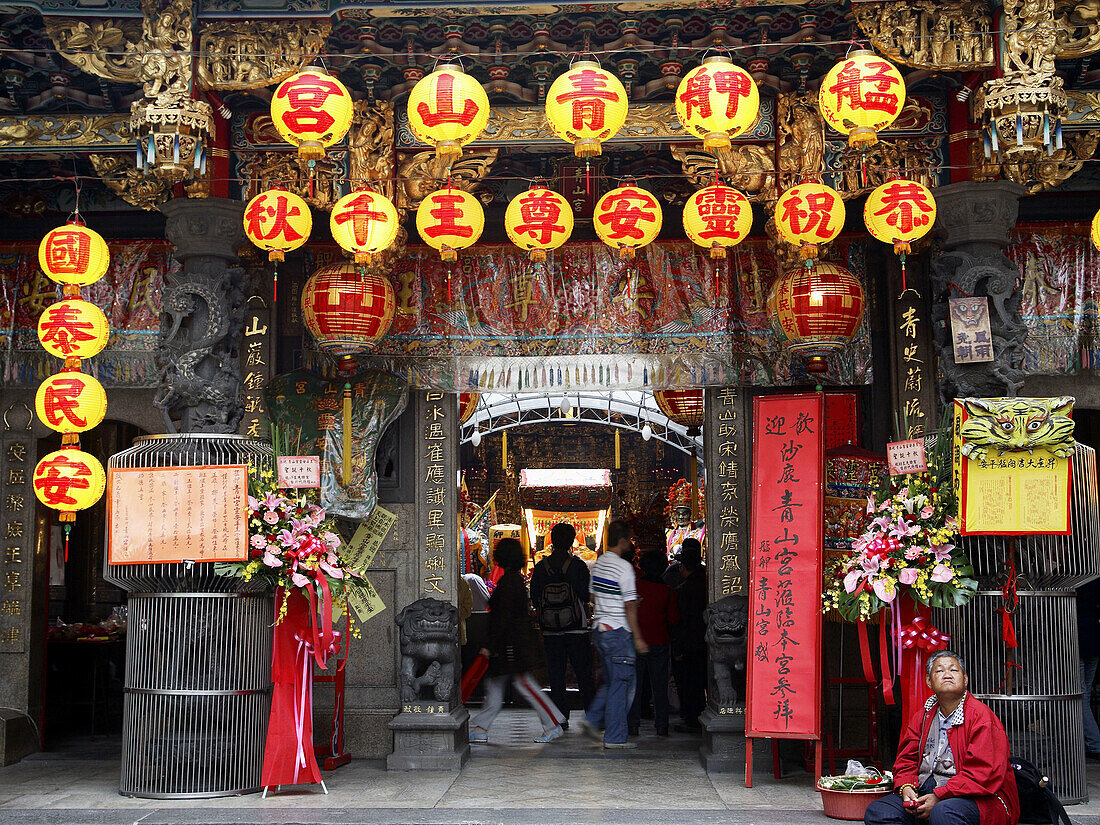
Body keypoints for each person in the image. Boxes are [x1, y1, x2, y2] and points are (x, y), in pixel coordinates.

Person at [864, 650, 1020, 825]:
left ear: (965, 679)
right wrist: (906, 786)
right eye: (939, 671)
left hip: (974, 795)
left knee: (944, 814)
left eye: (953, 670)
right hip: (925, 789)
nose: (947, 674)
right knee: (878, 812)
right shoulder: (923, 716)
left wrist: (941, 795)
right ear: (929, 681)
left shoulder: (981, 717)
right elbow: (906, 760)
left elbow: (983, 774)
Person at [470, 538, 566, 745]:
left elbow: (503, 619)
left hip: (511, 647)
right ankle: (480, 728)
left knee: (523, 685)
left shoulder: (508, 584)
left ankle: (553, 723)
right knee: (495, 687)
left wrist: (490, 644)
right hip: (511, 645)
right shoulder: (513, 581)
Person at [579, 518, 649, 749]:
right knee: (621, 683)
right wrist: (638, 637)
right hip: (618, 630)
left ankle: (592, 720)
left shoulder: (598, 565)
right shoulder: (623, 567)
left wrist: (610, 599)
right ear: (622, 540)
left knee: (611, 681)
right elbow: (629, 606)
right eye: (629, 539)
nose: (630, 543)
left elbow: (591, 597)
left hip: (600, 630)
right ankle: (615, 736)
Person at [530, 522, 595, 731]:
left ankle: (560, 717)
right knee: (584, 673)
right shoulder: (577, 565)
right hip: (576, 627)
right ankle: (592, 715)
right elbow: (585, 595)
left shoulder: (541, 567)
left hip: (550, 630)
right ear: (571, 541)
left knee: (556, 675)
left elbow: (534, 598)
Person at [628, 549, 679, 737]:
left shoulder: (634, 587)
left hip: (636, 641)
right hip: (660, 641)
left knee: (635, 685)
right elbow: (673, 619)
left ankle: (633, 724)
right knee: (659, 685)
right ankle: (662, 724)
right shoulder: (667, 591)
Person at [672, 537, 708, 732]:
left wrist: (677, 646)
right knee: (703, 680)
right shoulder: (707, 582)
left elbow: (681, 621)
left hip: (690, 642)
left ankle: (693, 719)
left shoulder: (684, 589)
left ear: (684, 567)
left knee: (691, 683)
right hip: (706, 640)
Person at [1078, 579, 1100, 759]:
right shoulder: (1094, 579)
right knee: (1084, 693)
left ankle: (1094, 742)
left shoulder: (1067, 577)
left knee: (1081, 696)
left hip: (1077, 641)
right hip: (1094, 640)